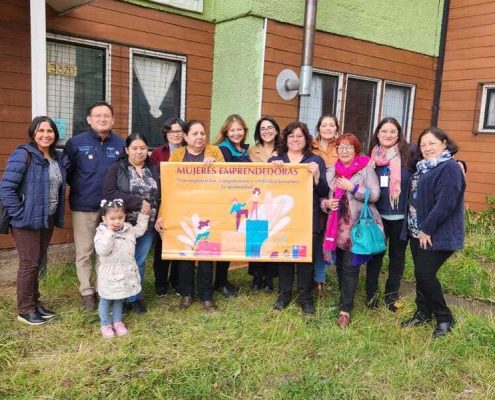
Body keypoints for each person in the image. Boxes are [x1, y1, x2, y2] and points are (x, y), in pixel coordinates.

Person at [0, 116, 69, 325]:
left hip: (46, 218)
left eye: (50, 131)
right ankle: (25, 309)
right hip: (26, 220)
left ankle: (35, 303)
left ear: (55, 134)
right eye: (41, 131)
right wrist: (20, 214)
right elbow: (6, 189)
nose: (46, 135)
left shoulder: (56, 158)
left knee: (37, 262)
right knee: (29, 263)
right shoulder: (23, 154)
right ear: (33, 133)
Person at [401, 127, 465, 338]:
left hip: (435, 233)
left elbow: (446, 203)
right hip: (416, 231)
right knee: (421, 275)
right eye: (423, 144)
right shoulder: (424, 167)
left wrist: (427, 229)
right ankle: (422, 313)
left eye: (432, 143)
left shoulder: (449, 167)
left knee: (425, 274)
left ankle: (444, 317)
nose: (427, 148)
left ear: (444, 144)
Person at [64, 102, 125, 311]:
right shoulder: (76, 143)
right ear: (89, 119)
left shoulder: (120, 144)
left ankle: (103, 289)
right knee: (85, 251)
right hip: (84, 206)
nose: (102, 119)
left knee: (106, 251)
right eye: (97, 115)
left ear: (113, 120)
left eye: (106, 115)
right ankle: (87, 292)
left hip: (112, 210)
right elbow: (68, 173)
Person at [321, 133, 382, 328]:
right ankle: (344, 297)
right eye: (341, 147)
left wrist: (353, 187)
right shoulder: (331, 171)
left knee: (350, 267)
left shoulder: (366, 169)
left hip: (355, 227)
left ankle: (345, 309)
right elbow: (322, 197)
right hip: (336, 227)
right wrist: (326, 203)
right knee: (340, 266)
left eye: (349, 147)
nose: (344, 151)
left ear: (356, 150)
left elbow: (375, 195)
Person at [165, 119, 225, 312]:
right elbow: (169, 184)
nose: (199, 137)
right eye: (195, 133)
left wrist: (215, 167)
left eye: (202, 133)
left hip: (208, 209)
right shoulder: (177, 154)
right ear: (185, 136)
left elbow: (225, 179)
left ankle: (206, 295)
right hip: (183, 210)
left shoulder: (214, 151)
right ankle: (186, 293)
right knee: (185, 252)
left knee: (207, 252)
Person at [270, 121, 328, 315]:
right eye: (291, 136)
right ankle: (284, 295)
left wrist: (317, 175)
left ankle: (305, 298)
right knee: (284, 256)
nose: (295, 139)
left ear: (306, 139)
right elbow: (267, 189)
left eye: (300, 136)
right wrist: (272, 171)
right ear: (285, 139)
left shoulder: (316, 160)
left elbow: (323, 191)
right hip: (283, 218)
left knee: (306, 259)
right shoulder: (276, 160)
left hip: (308, 217)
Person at [102, 133, 160, 314]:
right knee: (122, 261)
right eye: (134, 148)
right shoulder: (117, 168)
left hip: (147, 224)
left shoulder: (154, 168)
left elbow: (161, 195)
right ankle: (118, 297)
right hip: (123, 226)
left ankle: (135, 297)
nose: (139, 152)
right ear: (127, 150)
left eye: (143, 148)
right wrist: (138, 202)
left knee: (139, 261)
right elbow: (109, 193)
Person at [365, 117, 415, 311]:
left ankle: (391, 295)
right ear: (377, 134)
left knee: (397, 257)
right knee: (375, 255)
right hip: (376, 216)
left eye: (392, 131)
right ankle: (371, 294)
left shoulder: (409, 154)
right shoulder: (371, 157)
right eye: (384, 131)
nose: (388, 135)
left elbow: (432, 160)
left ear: (398, 134)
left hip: (400, 217)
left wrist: (459, 164)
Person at [94, 199, 150, 338]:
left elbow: (140, 230)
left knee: (119, 297)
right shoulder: (101, 233)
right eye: (112, 218)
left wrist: (144, 215)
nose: (117, 221)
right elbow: (102, 251)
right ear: (104, 219)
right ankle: (105, 324)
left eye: (120, 218)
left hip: (124, 272)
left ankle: (117, 321)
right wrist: (109, 233)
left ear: (124, 216)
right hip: (109, 274)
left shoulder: (128, 229)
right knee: (106, 299)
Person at [213, 114, 251, 297]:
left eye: (239, 129)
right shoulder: (223, 149)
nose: (236, 133)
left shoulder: (243, 150)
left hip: (239, 200)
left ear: (244, 131)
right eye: (232, 130)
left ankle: (223, 280)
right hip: (226, 202)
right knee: (224, 242)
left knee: (229, 242)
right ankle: (219, 283)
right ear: (226, 132)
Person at [150, 117, 185, 297]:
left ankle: (177, 281)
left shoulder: (190, 151)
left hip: (183, 204)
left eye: (179, 131)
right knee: (162, 244)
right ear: (166, 134)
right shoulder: (158, 153)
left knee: (180, 242)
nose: (176, 135)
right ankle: (161, 282)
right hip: (163, 203)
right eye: (172, 131)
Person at [247, 116, 281, 292]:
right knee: (257, 235)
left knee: (273, 235)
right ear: (258, 133)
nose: (266, 131)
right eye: (263, 128)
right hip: (258, 198)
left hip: (276, 197)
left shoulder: (284, 149)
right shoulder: (253, 150)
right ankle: (256, 275)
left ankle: (269, 278)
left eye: (270, 127)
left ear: (276, 130)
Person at [311, 115, 340, 298]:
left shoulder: (341, 146)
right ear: (319, 128)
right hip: (315, 197)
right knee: (317, 239)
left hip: (336, 199)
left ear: (336, 128)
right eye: (324, 125)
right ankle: (314, 279)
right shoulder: (310, 146)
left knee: (329, 240)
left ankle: (321, 278)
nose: (327, 128)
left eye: (331, 125)